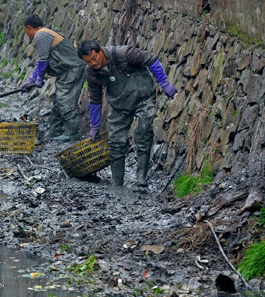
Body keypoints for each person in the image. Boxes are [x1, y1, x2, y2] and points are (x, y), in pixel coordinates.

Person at [77, 39, 177, 187]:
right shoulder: (91, 73)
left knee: (143, 131)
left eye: (94, 58)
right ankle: (118, 184)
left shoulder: (123, 54)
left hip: (143, 97)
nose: (93, 63)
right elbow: (95, 99)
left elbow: (151, 60)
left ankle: (141, 178)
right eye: (88, 62)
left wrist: (164, 83)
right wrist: (94, 125)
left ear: (100, 51)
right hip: (119, 105)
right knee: (116, 142)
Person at [20, 14, 86, 142]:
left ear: (29, 28)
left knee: (65, 99)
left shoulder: (40, 35)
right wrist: (31, 80)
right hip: (66, 71)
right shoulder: (46, 33)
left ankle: (71, 132)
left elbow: (43, 60)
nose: (27, 34)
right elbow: (43, 61)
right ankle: (54, 130)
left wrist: (38, 78)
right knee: (58, 100)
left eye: (26, 31)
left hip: (72, 69)